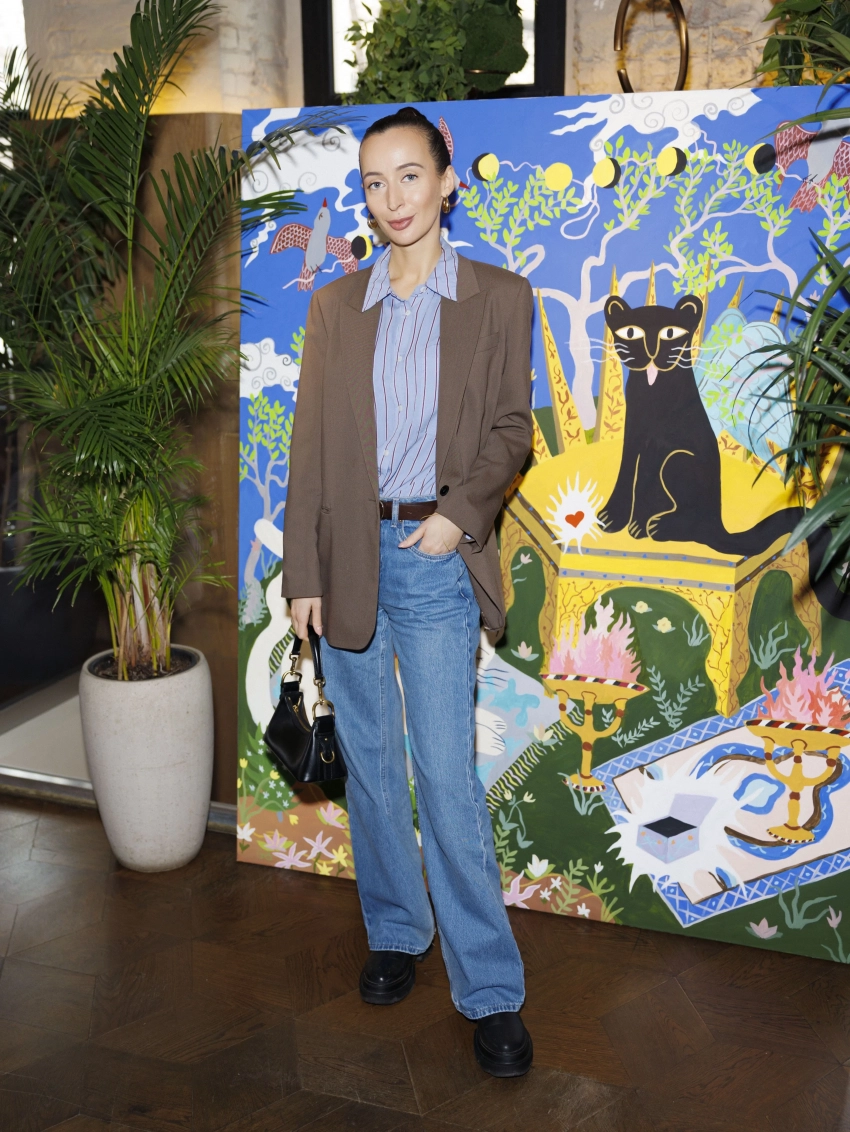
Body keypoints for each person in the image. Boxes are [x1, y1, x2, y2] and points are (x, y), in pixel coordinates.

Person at [282, 106, 534, 1077]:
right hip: (348, 554)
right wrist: (304, 574)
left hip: (433, 555)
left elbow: (510, 430)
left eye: (410, 175)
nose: (392, 198)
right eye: (374, 182)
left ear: (447, 181)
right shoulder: (336, 307)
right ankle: (395, 928)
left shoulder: (499, 298)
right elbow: (309, 449)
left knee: (447, 777)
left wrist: (456, 516)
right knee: (373, 766)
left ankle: (491, 989)